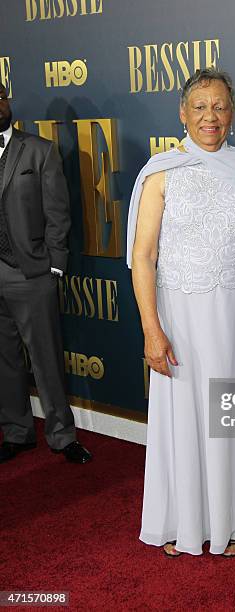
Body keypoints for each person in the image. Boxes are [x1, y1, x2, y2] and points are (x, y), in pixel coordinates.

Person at [127, 68, 235, 557]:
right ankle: (185, 521)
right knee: (185, 416)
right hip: (181, 315)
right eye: (199, 107)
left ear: (232, 113)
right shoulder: (160, 172)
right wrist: (152, 330)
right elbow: (144, 256)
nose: (209, 117)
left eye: (219, 106)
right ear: (182, 113)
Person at [0, 83, 91, 464]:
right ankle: (17, 432)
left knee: (46, 358)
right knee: (4, 359)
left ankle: (60, 434)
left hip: (31, 272)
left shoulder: (38, 150)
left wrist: (54, 265)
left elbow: (58, 213)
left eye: (0, 97)